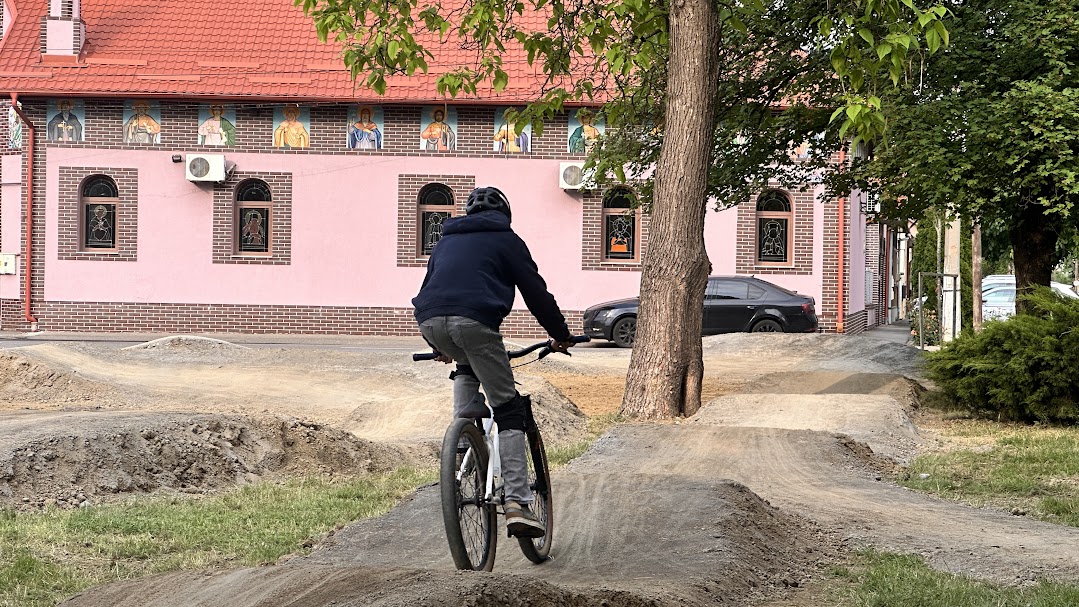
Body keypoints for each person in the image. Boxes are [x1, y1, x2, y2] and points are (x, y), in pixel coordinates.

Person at [413, 186, 574, 538]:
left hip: (428, 320)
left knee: (467, 365)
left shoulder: (444, 241)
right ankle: (517, 503)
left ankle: (459, 447)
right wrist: (559, 333)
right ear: (504, 215)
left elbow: (432, 288)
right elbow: (536, 293)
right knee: (508, 409)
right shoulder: (507, 240)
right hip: (476, 322)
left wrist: (438, 344)